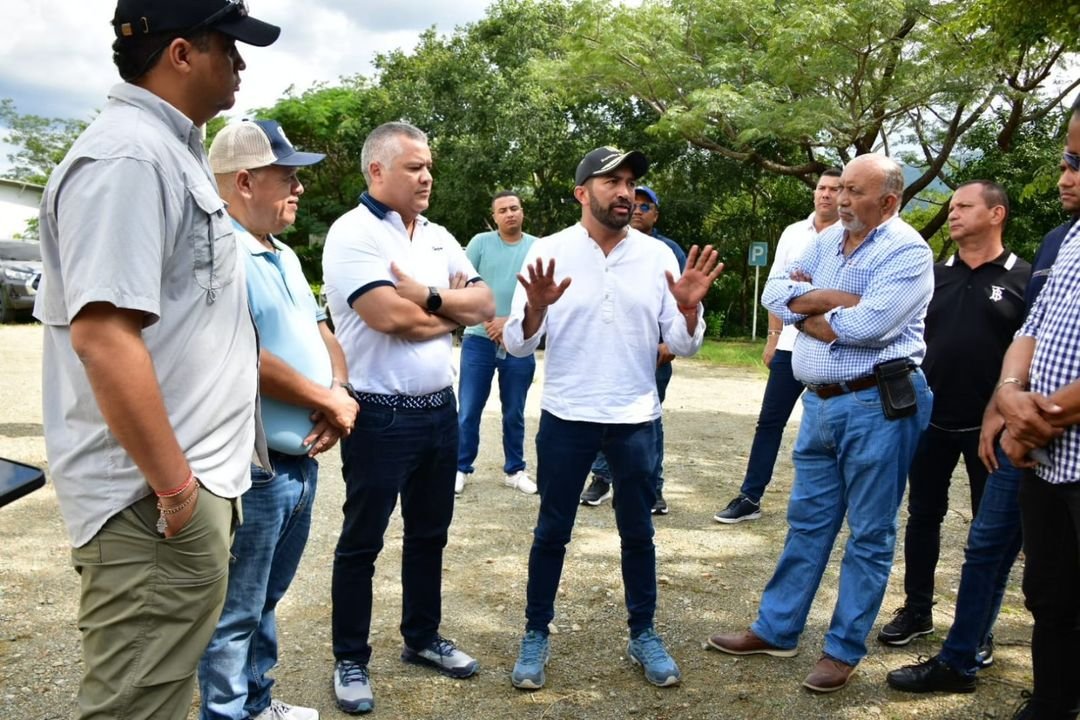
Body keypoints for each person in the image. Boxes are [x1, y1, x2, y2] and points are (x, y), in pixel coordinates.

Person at [31, 2, 279, 719]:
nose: (240, 62)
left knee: (162, 691)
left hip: (175, 495)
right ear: (180, 52)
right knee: (136, 703)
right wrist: (177, 492)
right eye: (228, 46)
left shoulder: (168, 150)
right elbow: (104, 337)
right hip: (150, 505)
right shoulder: (128, 157)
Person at [706, 154, 934, 694]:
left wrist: (810, 309)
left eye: (855, 192)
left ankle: (842, 649)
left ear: (889, 202)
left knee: (870, 533)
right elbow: (773, 295)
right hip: (821, 404)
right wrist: (834, 300)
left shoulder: (907, 249)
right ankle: (777, 628)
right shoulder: (828, 240)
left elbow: (872, 326)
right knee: (807, 522)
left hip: (877, 404)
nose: (841, 200)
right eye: (841, 190)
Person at [502, 146, 723, 690]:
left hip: (635, 418)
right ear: (582, 193)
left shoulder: (657, 257)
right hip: (567, 415)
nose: (625, 192)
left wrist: (691, 309)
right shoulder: (547, 253)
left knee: (639, 532)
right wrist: (536, 309)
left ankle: (643, 632)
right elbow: (516, 343)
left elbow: (681, 345)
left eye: (630, 183)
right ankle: (536, 633)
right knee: (552, 531)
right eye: (611, 182)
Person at [321, 122, 495, 715]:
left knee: (429, 534)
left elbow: (486, 302)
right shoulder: (352, 234)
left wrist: (426, 297)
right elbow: (386, 318)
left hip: (438, 412)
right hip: (378, 416)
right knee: (362, 542)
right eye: (414, 167)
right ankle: (350, 657)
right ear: (377, 171)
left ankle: (421, 638)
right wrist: (449, 310)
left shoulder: (441, 235)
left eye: (429, 167)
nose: (427, 177)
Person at [196, 120, 357, 720]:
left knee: (266, 598)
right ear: (243, 181)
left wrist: (338, 390)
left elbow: (320, 330)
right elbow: (242, 348)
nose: (299, 188)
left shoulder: (283, 252)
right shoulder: (220, 250)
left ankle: (257, 703)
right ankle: (229, 712)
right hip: (254, 464)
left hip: (297, 462)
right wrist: (328, 398)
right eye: (286, 176)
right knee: (236, 608)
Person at [883, 181, 1029, 694]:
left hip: (992, 429)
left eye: (964, 206)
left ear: (996, 214)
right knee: (922, 516)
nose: (952, 214)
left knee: (988, 539)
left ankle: (978, 631)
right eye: (951, 207)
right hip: (929, 419)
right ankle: (917, 610)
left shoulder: (1024, 280)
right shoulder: (933, 276)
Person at [989, 97, 1080, 720]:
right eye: (1068, 160)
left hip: (1058, 442)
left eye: (1079, 164)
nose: (1065, 177)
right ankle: (1051, 703)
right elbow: (1033, 323)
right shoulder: (1062, 238)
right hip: (1046, 462)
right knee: (1049, 596)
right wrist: (1009, 393)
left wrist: (1035, 418)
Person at [714, 170, 842, 523]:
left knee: (828, 426)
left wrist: (805, 293)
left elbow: (841, 296)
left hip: (830, 346)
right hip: (789, 343)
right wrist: (773, 336)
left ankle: (829, 502)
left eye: (834, 189)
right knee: (769, 421)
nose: (826, 195)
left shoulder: (851, 235)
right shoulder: (793, 233)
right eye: (821, 188)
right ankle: (750, 496)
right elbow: (775, 289)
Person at [579, 185, 687, 514]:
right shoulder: (601, 245)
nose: (638, 210)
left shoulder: (668, 252)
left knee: (648, 422)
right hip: (605, 353)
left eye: (646, 206)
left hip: (652, 356)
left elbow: (686, 304)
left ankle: (653, 487)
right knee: (600, 416)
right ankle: (601, 479)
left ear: (656, 214)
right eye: (635, 204)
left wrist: (669, 344)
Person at [455, 190, 539, 496]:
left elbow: (539, 295)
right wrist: (487, 318)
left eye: (514, 208)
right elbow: (463, 285)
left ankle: (515, 470)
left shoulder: (537, 247)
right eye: (502, 210)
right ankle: (460, 467)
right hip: (479, 338)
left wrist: (509, 322)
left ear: (522, 211)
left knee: (515, 410)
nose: (509, 214)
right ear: (495, 217)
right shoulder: (480, 243)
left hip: (519, 340)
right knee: (469, 408)